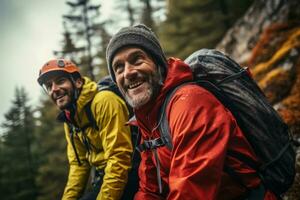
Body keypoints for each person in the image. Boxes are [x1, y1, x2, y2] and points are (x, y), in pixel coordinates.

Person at [105, 24, 278, 200]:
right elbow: (150, 190)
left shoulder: (191, 102)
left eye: (137, 60)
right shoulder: (148, 119)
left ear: (159, 64)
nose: (128, 73)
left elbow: (190, 191)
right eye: (119, 67)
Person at [37, 59, 133, 200]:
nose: (54, 89)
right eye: (49, 86)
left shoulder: (104, 101)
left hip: (130, 170)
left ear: (78, 82)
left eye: (60, 81)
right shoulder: (70, 119)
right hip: (105, 176)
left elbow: (120, 157)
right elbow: (79, 164)